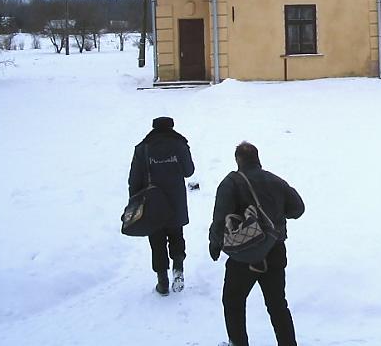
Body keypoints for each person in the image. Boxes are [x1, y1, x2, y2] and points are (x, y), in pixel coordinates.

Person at [209, 142, 305, 346]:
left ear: (238, 160)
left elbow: (220, 218)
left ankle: (238, 343)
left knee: (233, 302)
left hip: (244, 255)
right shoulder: (276, 181)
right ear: (258, 158)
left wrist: (215, 243)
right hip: (275, 249)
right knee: (277, 305)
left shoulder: (231, 183)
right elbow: (298, 208)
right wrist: (275, 216)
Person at [128, 116, 195, 296]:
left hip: (152, 202)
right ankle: (178, 268)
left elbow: (134, 179)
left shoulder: (143, 148)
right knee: (176, 235)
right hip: (176, 200)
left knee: (157, 240)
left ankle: (162, 281)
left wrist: (134, 204)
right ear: (171, 127)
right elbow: (189, 171)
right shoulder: (180, 145)